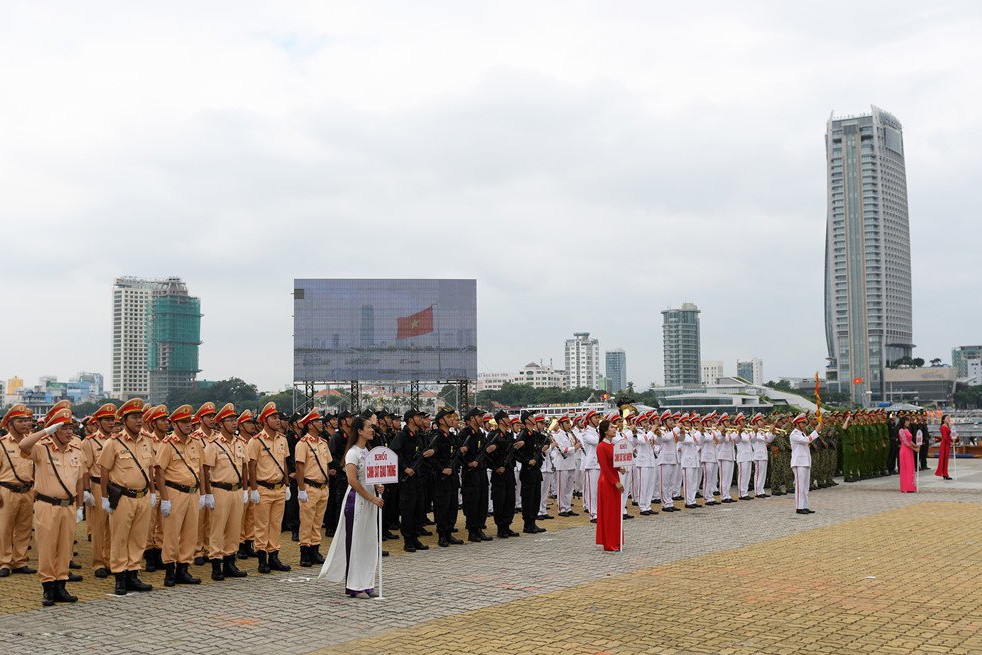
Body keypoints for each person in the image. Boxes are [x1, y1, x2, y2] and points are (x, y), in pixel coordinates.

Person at [17, 408, 84, 606]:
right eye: (64, 428)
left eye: (71, 428)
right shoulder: (42, 448)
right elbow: (23, 444)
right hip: (47, 505)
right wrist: (46, 431)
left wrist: (80, 506)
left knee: (65, 548)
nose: (69, 432)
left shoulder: (76, 451)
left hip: (68, 506)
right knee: (47, 548)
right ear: (55, 430)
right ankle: (47, 587)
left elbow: (78, 480)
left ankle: (61, 586)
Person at [319, 416, 383, 598]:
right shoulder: (352, 453)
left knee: (369, 542)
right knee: (355, 542)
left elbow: (370, 476)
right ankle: (354, 586)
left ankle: (367, 582)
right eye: (369, 427)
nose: (372, 430)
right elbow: (353, 481)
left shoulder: (368, 451)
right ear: (360, 431)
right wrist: (371, 497)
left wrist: (378, 486)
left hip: (370, 501)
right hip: (357, 501)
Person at [98, 398, 157, 595]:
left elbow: (150, 469)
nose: (139, 421)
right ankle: (119, 576)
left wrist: (153, 492)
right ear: (124, 420)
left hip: (143, 495)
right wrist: (105, 496)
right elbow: (104, 471)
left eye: (141, 417)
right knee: (120, 538)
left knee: (139, 538)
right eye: (134, 417)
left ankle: (133, 573)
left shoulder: (148, 440)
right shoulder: (113, 443)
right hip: (123, 496)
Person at [154, 404, 203, 587]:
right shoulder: (167, 445)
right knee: (172, 533)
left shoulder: (195, 443)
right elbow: (159, 472)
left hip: (192, 492)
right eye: (183, 422)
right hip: (174, 492)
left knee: (190, 533)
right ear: (174, 424)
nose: (188, 425)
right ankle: (170, 570)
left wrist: (203, 493)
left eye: (189, 421)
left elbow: (201, 470)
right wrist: (165, 499)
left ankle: (184, 568)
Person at [202, 403, 249, 580]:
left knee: (234, 527)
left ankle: (230, 562)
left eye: (235, 419)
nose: (234, 423)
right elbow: (206, 470)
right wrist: (207, 494)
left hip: (236, 490)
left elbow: (244, 467)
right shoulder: (213, 445)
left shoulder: (240, 443)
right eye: (229, 420)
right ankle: (216, 564)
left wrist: (245, 489)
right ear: (221, 423)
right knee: (217, 528)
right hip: (219, 489)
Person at [246, 402, 292, 574]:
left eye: (278, 417)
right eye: (274, 417)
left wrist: (287, 484)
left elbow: (284, 463)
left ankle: (274, 556)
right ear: (265, 420)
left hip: (279, 487)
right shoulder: (255, 441)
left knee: (275, 524)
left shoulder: (282, 439)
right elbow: (251, 465)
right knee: (261, 525)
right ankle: (262, 559)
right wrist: (254, 488)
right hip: (263, 487)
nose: (277, 420)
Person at [1, 404, 37, 578]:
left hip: (27, 491)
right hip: (7, 491)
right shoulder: (2, 444)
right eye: (20, 421)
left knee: (24, 528)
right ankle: (4, 562)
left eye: (27, 420)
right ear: (9, 424)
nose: (25, 424)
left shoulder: (33, 444)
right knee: (5, 528)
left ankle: (20, 560)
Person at [82, 402, 116, 578]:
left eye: (113, 419)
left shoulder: (117, 439)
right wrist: (86, 490)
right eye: (107, 420)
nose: (111, 423)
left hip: (115, 487)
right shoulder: (89, 442)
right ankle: (98, 563)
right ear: (98, 421)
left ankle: (111, 560)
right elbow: (85, 468)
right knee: (98, 526)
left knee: (113, 526)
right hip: (96, 485)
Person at [294, 409, 332, 567]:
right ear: (310, 425)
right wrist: (301, 489)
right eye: (317, 421)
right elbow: (299, 468)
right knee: (307, 522)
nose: (321, 424)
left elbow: (328, 464)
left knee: (318, 522)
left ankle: (315, 549)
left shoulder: (323, 443)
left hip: (323, 487)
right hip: (309, 487)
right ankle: (305, 553)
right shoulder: (303, 444)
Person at [595, 420, 622, 552]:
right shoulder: (601, 446)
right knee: (608, 512)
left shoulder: (613, 445)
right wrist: (615, 482)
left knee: (615, 511)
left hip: (614, 479)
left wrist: (619, 469)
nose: (614, 429)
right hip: (607, 481)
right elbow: (604, 467)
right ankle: (608, 542)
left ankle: (616, 540)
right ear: (605, 431)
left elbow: (613, 464)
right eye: (612, 427)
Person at [789, 414, 819, 514]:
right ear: (797, 423)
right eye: (802, 423)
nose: (804, 425)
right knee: (799, 486)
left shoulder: (802, 433)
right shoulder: (794, 434)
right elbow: (806, 440)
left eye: (805, 423)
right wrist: (816, 431)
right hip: (798, 462)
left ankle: (805, 505)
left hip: (805, 461)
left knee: (805, 486)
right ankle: (799, 507)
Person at [898, 416, 918, 492]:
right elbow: (906, 442)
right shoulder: (901, 430)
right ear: (903, 422)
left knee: (910, 468)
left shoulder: (907, 430)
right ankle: (905, 487)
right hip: (904, 450)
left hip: (909, 450)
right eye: (907, 421)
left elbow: (910, 441)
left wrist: (916, 445)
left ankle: (910, 486)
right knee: (905, 468)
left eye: (908, 421)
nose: (908, 422)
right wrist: (915, 449)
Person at [935, 415, 955, 480]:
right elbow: (945, 437)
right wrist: (951, 443)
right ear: (943, 420)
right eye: (947, 418)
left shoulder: (947, 426)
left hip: (947, 444)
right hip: (944, 444)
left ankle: (945, 474)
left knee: (946, 460)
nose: (949, 419)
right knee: (944, 459)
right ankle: (945, 474)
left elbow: (949, 436)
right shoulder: (943, 427)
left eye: (949, 418)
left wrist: (953, 439)